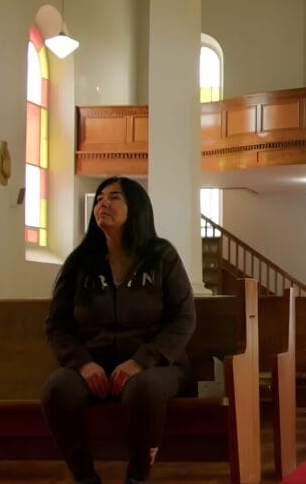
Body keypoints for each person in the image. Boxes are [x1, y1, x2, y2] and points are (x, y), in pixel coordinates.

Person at [40, 176, 196, 484]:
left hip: (157, 366)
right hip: (94, 367)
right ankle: (85, 477)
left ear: (136, 207)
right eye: (99, 198)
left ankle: (137, 477)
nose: (103, 203)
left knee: (143, 389)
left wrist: (141, 361)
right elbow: (57, 323)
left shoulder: (161, 256)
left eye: (114, 197)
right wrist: (82, 363)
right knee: (57, 389)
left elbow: (184, 318)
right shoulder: (80, 262)